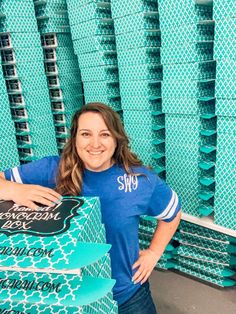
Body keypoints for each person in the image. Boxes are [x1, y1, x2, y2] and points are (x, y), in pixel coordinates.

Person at [0, 102, 181, 314]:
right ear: (75, 139)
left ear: (116, 139)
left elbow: (173, 212)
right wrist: (14, 190)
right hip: (68, 295)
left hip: (128, 296)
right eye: (86, 134)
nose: (95, 144)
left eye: (104, 134)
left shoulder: (139, 180)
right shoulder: (52, 169)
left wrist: (153, 253)